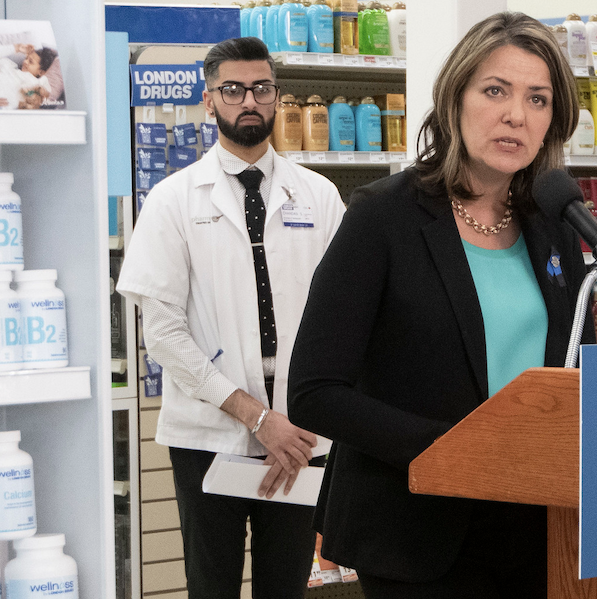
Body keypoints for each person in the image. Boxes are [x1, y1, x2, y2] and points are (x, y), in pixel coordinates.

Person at [288, 12, 591, 597]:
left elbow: (577, 371)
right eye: (495, 91)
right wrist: (456, 449)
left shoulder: (553, 224)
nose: (515, 115)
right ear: (455, 99)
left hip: (534, 525)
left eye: (538, 99)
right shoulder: (383, 216)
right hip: (416, 530)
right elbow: (315, 390)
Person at [117, 36, 345, 599]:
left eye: (262, 88)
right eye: (233, 89)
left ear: (276, 96)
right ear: (209, 99)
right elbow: (164, 334)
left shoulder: (318, 197)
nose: (250, 99)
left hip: (299, 434)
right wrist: (255, 416)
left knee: (286, 585)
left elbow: (345, 318)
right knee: (211, 584)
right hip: (208, 434)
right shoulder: (173, 200)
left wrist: (294, 421)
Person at [0, 44, 56, 109]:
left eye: (31, 62)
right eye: (26, 58)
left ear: (41, 72)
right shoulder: (9, 65)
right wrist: (17, 48)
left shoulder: (34, 84)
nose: (25, 62)